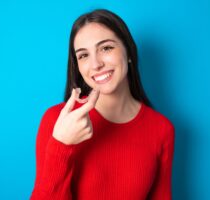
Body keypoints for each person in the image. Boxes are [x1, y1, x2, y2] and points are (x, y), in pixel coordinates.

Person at [30, 9, 175, 200]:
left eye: (106, 48)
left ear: (129, 52)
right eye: (83, 56)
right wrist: (62, 145)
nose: (96, 64)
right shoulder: (57, 121)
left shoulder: (161, 129)